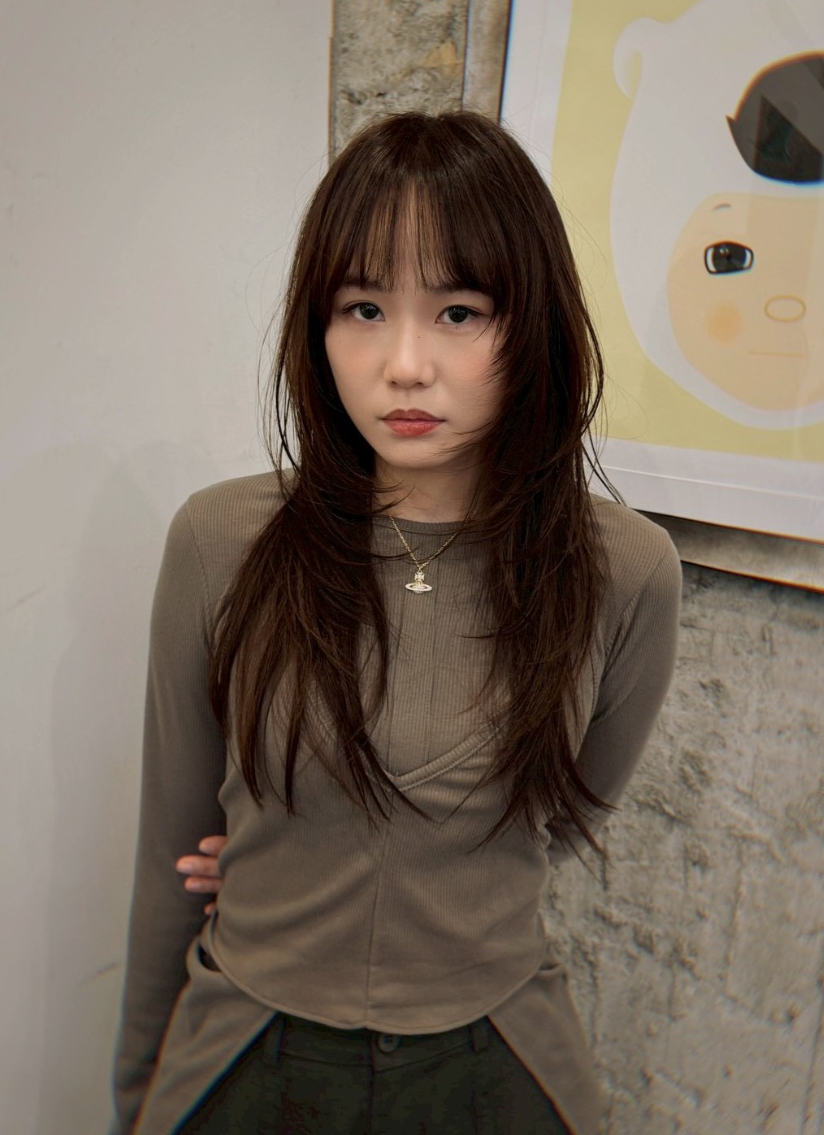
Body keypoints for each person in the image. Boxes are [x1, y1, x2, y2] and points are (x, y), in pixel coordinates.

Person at [110, 110, 683, 1135]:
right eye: (363, 309)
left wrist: (381, 852)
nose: (405, 364)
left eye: (459, 311)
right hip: (249, 1049)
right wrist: (137, 1098)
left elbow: (565, 814)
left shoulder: (622, 570)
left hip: (493, 1053)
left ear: (532, 325)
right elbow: (171, 854)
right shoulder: (221, 541)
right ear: (317, 327)